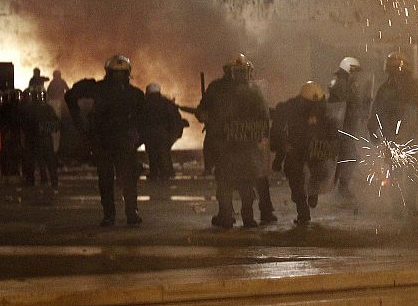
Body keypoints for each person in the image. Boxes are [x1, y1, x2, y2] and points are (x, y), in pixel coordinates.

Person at [65, 55, 145, 226]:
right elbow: (142, 120)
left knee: (113, 180)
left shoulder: (99, 88)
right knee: (120, 179)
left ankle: (114, 215)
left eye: (120, 74)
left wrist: (80, 122)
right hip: (111, 141)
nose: (118, 77)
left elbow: (71, 96)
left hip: (110, 141)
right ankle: (127, 214)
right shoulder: (133, 93)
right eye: (117, 73)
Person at [197, 54, 270, 228]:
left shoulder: (217, 87)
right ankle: (245, 217)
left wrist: (204, 116)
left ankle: (227, 216)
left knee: (227, 181)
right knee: (242, 181)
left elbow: (202, 112)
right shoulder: (254, 90)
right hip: (239, 144)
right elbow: (264, 117)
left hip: (227, 144)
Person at [368, 52, 418, 219]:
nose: (395, 77)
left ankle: (410, 205)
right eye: (392, 73)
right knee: (396, 173)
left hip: (414, 138)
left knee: (413, 173)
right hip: (393, 138)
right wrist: (372, 129)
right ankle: (397, 206)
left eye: (397, 73)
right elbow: (376, 111)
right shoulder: (385, 90)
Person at [275, 81, 338, 225]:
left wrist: (329, 148)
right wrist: (281, 152)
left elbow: (333, 132)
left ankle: (313, 192)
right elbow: (279, 130)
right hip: (296, 147)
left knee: (319, 171)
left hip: (314, 148)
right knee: (295, 177)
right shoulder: (291, 108)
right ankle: (303, 211)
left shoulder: (324, 110)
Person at [328, 56, 371, 201]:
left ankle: (336, 188)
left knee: (342, 159)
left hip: (342, 129)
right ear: (348, 70)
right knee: (350, 157)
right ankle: (341, 188)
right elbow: (347, 104)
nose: (357, 75)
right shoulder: (341, 85)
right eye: (355, 72)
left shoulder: (343, 83)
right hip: (341, 129)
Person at [143, 83, 188, 181]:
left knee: (152, 153)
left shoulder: (144, 103)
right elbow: (175, 118)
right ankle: (167, 172)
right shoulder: (166, 103)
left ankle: (155, 172)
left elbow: (140, 118)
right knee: (164, 152)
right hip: (164, 132)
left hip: (150, 133)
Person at [22, 89, 59, 189]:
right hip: (44, 139)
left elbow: (24, 124)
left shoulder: (28, 109)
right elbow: (55, 125)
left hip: (33, 139)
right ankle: (54, 181)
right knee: (50, 161)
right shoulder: (48, 108)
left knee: (31, 161)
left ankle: (30, 181)